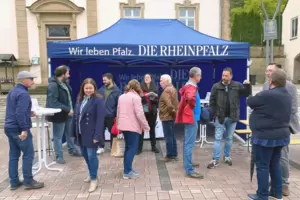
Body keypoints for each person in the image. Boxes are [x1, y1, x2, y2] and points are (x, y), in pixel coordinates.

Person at [247, 70, 291, 200]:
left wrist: (248, 91)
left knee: (262, 166)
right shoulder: (287, 95)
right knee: (274, 164)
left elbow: (250, 102)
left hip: (265, 137)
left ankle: (262, 195)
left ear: (271, 81)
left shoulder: (267, 94)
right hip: (281, 136)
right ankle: (277, 193)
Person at [263, 63, 300, 196]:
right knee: (270, 156)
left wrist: (277, 118)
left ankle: (284, 183)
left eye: (270, 70)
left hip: (284, 126)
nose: (267, 73)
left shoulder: (289, 86)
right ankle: (273, 181)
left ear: (278, 72)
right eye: (266, 70)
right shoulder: (266, 85)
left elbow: (294, 108)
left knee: (282, 156)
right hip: (269, 126)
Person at [5, 71, 44, 190]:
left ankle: (14, 181)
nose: (33, 81)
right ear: (23, 80)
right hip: (18, 128)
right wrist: (25, 129)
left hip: (9, 127)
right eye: (31, 79)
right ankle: (28, 180)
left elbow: (16, 110)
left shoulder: (13, 91)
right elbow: (19, 113)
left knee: (14, 155)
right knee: (28, 154)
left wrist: (28, 113)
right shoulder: (23, 94)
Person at [207, 67, 251, 169]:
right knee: (218, 138)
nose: (224, 77)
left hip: (232, 117)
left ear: (231, 76)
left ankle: (227, 156)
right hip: (220, 116)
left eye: (226, 76)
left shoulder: (237, 85)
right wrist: (214, 113)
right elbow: (212, 101)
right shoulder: (216, 86)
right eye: (223, 75)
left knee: (229, 138)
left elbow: (246, 94)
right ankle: (215, 159)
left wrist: (248, 86)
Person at [71, 78, 105, 193]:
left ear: (94, 88)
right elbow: (75, 116)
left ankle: (94, 179)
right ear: (83, 88)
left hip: (91, 134)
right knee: (85, 155)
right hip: (80, 133)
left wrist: (97, 136)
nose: (88, 90)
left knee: (91, 156)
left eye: (91, 88)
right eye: (86, 88)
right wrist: (72, 132)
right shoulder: (80, 99)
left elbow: (100, 120)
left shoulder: (98, 100)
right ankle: (91, 174)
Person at [46, 65, 80, 164]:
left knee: (70, 134)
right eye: (67, 73)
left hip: (68, 113)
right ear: (63, 73)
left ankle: (72, 150)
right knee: (58, 136)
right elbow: (53, 102)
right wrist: (67, 109)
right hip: (59, 115)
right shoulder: (53, 85)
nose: (69, 75)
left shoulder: (64, 83)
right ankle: (59, 156)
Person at [116, 79, 150, 179]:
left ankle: (128, 169)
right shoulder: (136, 98)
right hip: (132, 126)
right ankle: (127, 172)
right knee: (132, 149)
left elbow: (118, 112)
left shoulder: (121, 96)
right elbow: (140, 114)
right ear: (137, 87)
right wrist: (146, 126)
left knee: (128, 148)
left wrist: (118, 125)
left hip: (123, 126)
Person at [176, 67, 203, 179]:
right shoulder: (192, 87)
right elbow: (190, 98)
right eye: (200, 75)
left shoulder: (188, 86)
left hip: (190, 118)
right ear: (195, 76)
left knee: (188, 143)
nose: (201, 77)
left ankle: (188, 164)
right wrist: (192, 106)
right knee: (189, 144)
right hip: (191, 118)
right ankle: (189, 169)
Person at [97, 73, 121, 154]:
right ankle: (101, 147)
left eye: (105, 80)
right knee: (100, 131)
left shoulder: (117, 91)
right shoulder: (100, 90)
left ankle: (113, 147)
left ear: (110, 79)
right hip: (101, 115)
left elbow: (119, 105)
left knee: (113, 132)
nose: (103, 81)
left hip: (111, 115)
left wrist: (117, 115)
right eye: (103, 80)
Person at [137, 74, 159, 155]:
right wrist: (144, 97)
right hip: (143, 112)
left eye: (148, 77)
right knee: (141, 130)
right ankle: (139, 148)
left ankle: (153, 147)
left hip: (152, 112)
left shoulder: (155, 88)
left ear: (151, 79)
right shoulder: (140, 88)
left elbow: (157, 100)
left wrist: (152, 98)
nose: (146, 78)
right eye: (145, 77)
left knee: (152, 130)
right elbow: (137, 99)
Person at [159, 74, 179, 162]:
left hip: (167, 117)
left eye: (161, 80)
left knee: (168, 137)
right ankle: (174, 154)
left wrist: (172, 112)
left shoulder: (166, 91)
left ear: (167, 81)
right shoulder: (173, 89)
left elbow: (169, 105)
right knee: (172, 136)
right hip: (170, 116)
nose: (160, 82)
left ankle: (170, 155)